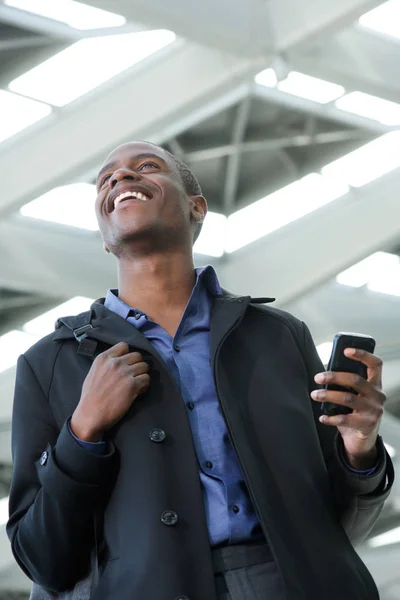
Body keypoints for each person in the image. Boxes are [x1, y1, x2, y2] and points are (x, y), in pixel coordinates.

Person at [7, 141, 394, 600]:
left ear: (197, 207)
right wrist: (82, 432)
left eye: (146, 167)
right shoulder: (49, 362)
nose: (120, 179)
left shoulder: (278, 336)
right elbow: (41, 558)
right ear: (104, 229)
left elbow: (344, 522)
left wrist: (360, 447)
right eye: (106, 179)